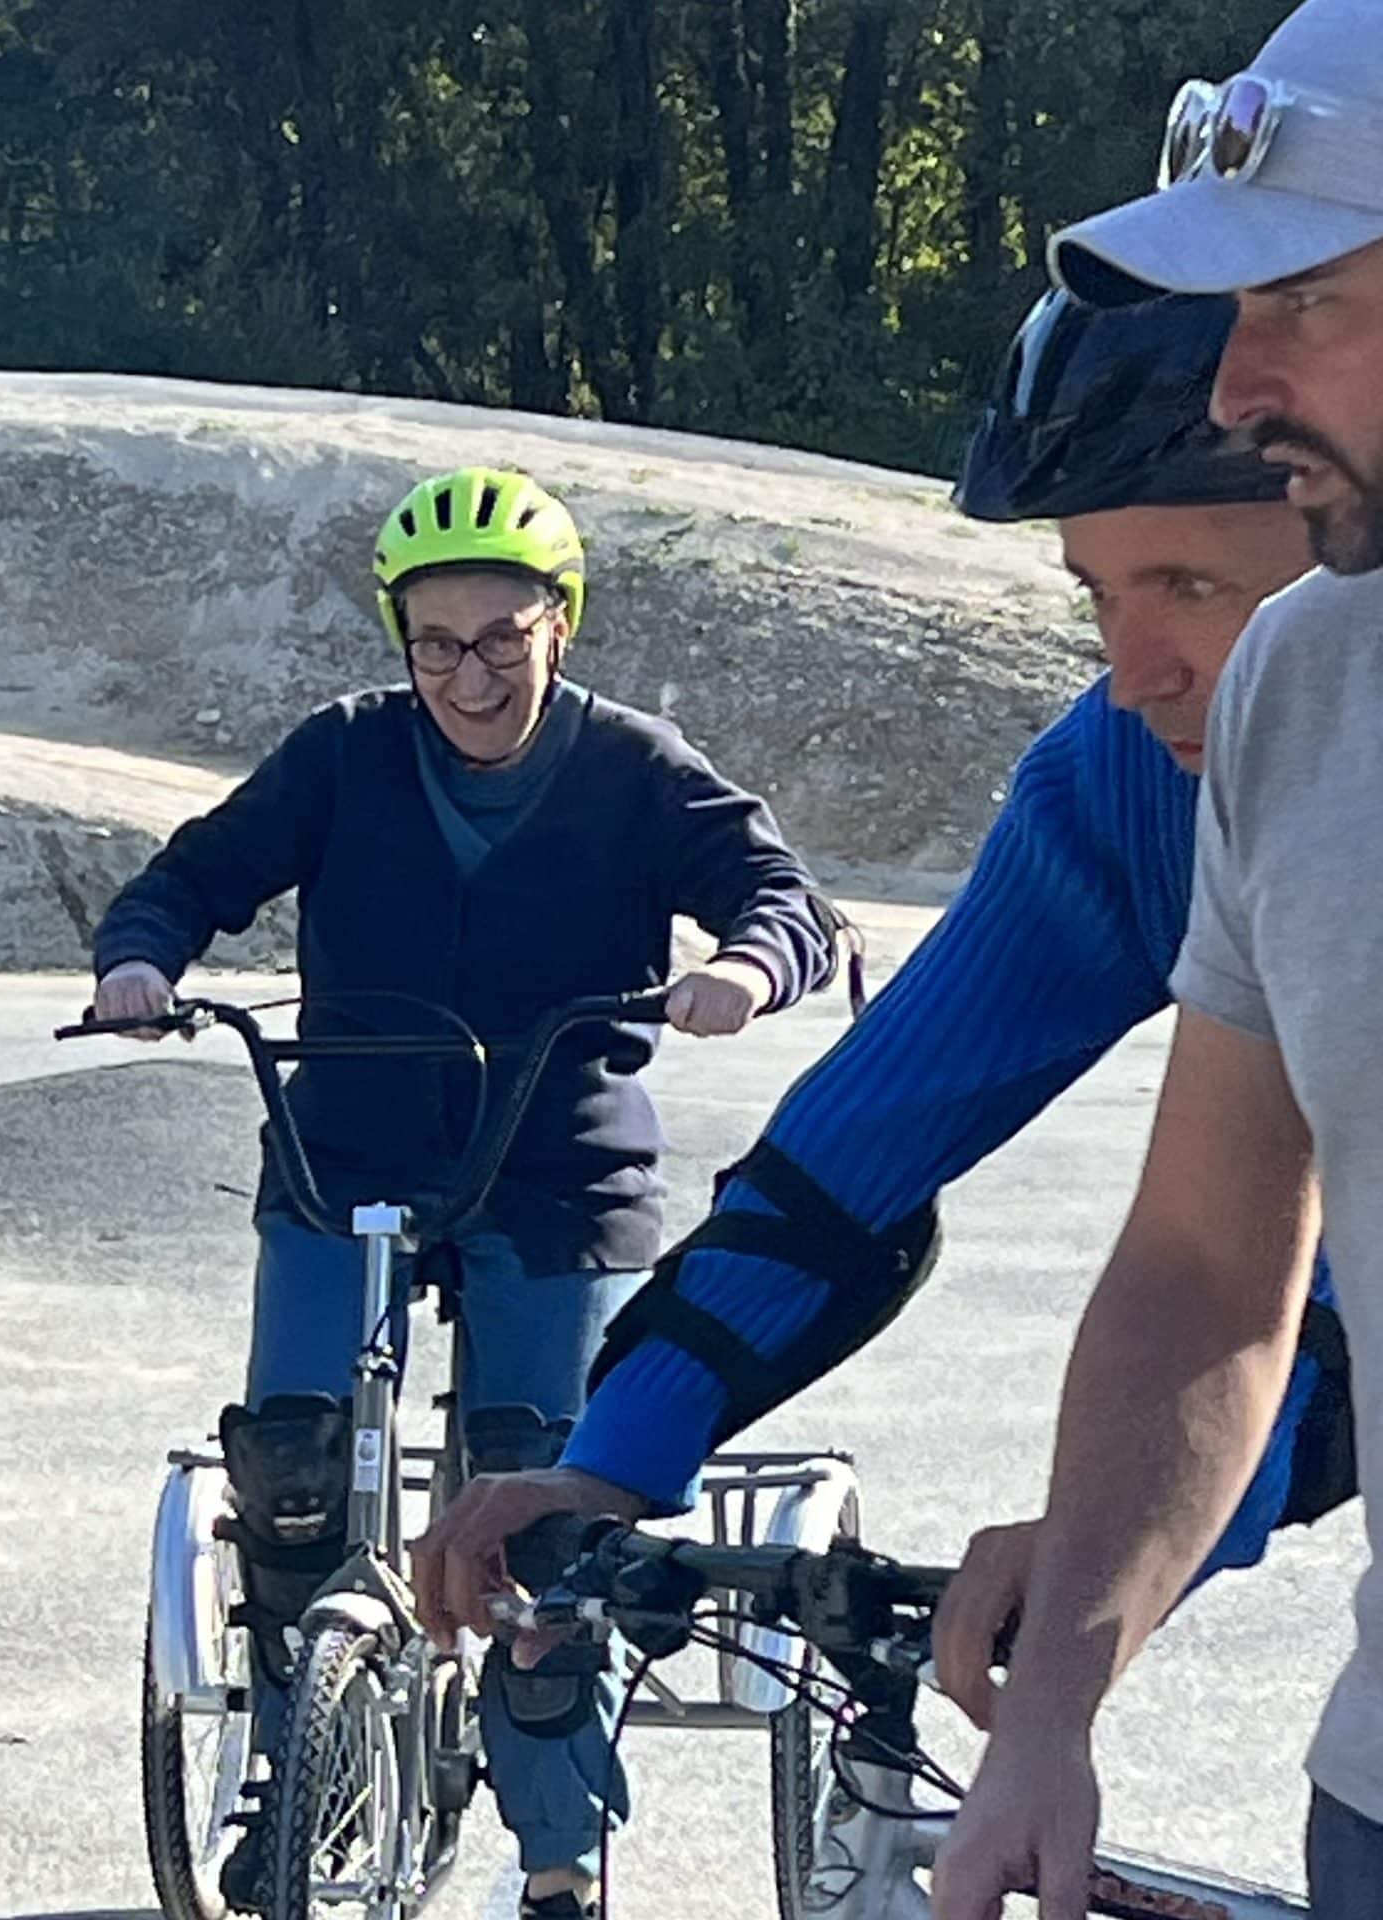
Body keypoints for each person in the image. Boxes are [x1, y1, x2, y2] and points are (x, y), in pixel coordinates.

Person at [404, 289, 1356, 1689]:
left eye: (1191, 590)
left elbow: (1345, 1284)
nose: (1130, 668)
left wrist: (1130, 1545)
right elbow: (850, 1161)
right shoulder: (1121, 779)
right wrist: (610, 1462)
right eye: (1099, 594)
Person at [88, 466, 840, 1918]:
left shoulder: (633, 765)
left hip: (559, 1167)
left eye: (502, 638)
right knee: (292, 1463)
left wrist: (746, 971)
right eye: (435, 644)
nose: (469, 675)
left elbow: (781, 894)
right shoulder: (344, 757)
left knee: (542, 1524)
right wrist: (140, 960)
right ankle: (311, 1767)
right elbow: (192, 877)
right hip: (347, 1148)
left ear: (561, 626)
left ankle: (557, 1860)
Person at [928, 2, 1383, 1909]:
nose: (1232, 383)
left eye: (1306, 303)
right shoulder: (1305, 682)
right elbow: (1210, 1268)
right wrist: (1057, 1709)